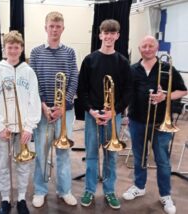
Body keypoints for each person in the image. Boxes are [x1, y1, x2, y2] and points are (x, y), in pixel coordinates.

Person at [122, 35, 187, 214]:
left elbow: (182, 90)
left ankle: (165, 195)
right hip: (137, 121)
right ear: (139, 48)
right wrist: (125, 115)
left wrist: (165, 96)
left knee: (163, 161)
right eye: (144, 46)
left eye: (151, 46)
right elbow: (127, 93)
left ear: (157, 48)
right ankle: (139, 186)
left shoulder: (167, 67)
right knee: (139, 157)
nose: (148, 49)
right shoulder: (132, 69)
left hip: (161, 123)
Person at [77, 19, 132, 209]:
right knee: (92, 154)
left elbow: (127, 92)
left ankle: (109, 191)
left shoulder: (123, 62)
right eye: (105, 33)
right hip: (93, 115)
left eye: (112, 33)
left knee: (111, 156)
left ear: (117, 36)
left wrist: (113, 111)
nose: (108, 36)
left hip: (113, 116)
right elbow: (81, 90)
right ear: (100, 35)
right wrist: (92, 111)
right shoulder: (90, 60)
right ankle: (89, 190)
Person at [0, 30, 41, 214]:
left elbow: (34, 100)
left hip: (24, 130)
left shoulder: (29, 71)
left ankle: (21, 199)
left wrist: (29, 127)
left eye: (16, 47)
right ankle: (5, 199)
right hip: (3, 130)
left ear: (21, 48)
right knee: (3, 165)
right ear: (4, 49)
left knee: (24, 165)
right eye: (9, 47)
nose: (13, 50)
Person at [30, 11, 78, 208]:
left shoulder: (70, 52)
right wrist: (43, 105)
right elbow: (33, 81)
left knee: (63, 153)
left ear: (63, 29)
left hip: (64, 111)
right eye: (52, 26)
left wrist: (62, 105)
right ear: (46, 27)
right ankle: (40, 190)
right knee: (41, 152)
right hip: (42, 111)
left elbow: (74, 79)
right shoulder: (35, 52)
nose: (55, 29)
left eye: (58, 26)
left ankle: (64, 190)